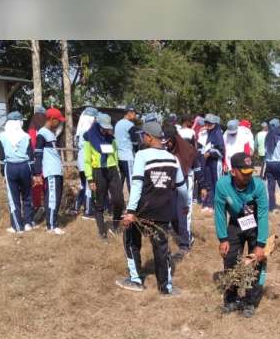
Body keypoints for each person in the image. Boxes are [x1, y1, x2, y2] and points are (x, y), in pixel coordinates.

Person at [117, 121, 188, 295]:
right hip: (164, 210)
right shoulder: (173, 159)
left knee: (131, 240)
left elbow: (137, 184)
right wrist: (184, 205)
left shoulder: (141, 155)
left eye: (143, 135)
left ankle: (136, 280)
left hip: (143, 211)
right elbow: (182, 187)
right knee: (162, 247)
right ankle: (166, 288)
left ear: (148, 137)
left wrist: (131, 211)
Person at [215, 152, 270, 318]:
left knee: (255, 263)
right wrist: (223, 239)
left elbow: (263, 215)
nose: (249, 176)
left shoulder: (258, 186)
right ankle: (231, 299)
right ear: (233, 172)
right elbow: (219, 212)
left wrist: (261, 244)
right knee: (230, 260)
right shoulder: (222, 185)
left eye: (250, 172)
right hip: (235, 223)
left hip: (254, 226)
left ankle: (249, 302)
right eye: (244, 173)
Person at [84, 113, 124, 240]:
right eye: (103, 127)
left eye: (107, 128)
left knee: (119, 200)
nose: (106, 130)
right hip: (98, 172)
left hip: (112, 171)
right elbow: (86, 161)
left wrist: (117, 169)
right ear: (97, 125)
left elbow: (115, 155)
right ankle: (102, 232)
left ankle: (116, 224)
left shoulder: (111, 139)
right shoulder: (89, 139)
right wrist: (90, 179)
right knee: (99, 204)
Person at [0, 111, 36, 234]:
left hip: (10, 168)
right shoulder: (26, 136)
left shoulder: (2, 137)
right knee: (27, 195)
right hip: (25, 167)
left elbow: (2, 157)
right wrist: (34, 173)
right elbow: (31, 156)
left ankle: (17, 226)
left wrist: (3, 174)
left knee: (13, 198)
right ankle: (28, 223)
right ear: (19, 123)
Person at [164, 123, 198, 257]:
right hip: (172, 184)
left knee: (182, 213)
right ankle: (187, 237)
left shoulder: (188, 149)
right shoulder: (166, 150)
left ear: (174, 139)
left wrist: (204, 186)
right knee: (173, 215)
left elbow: (196, 167)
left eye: (168, 142)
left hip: (185, 183)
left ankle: (185, 244)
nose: (166, 145)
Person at [34, 107, 67, 235]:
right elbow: (38, 154)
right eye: (58, 120)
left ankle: (52, 222)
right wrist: (37, 173)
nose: (59, 123)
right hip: (51, 171)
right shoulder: (42, 134)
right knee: (52, 197)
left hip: (56, 170)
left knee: (56, 197)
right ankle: (51, 226)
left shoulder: (51, 133)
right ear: (52, 119)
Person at [74, 107, 98, 219]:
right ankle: (88, 211)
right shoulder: (89, 131)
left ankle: (76, 207)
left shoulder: (80, 130)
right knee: (89, 186)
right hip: (87, 160)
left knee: (83, 185)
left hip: (80, 160)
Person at [198, 114, 224, 213]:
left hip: (216, 162)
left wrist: (210, 153)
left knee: (216, 183)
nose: (207, 125)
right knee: (208, 182)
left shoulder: (218, 133)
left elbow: (221, 152)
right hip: (207, 162)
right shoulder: (208, 133)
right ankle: (207, 204)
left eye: (209, 123)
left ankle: (216, 204)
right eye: (206, 123)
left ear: (214, 124)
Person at [27, 106, 47, 223]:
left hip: (34, 160)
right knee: (42, 183)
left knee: (36, 185)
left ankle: (37, 207)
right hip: (43, 159)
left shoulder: (31, 127)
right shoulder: (44, 128)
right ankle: (43, 207)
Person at [114, 105, 140, 192]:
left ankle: (117, 201)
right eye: (135, 114)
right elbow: (135, 142)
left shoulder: (118, 123)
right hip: (128, 156)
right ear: (129, 113)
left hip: (119, 157)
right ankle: (133, 204)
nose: (135, 116)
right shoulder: (130, 125)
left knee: (121, 180)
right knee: (131, 181)